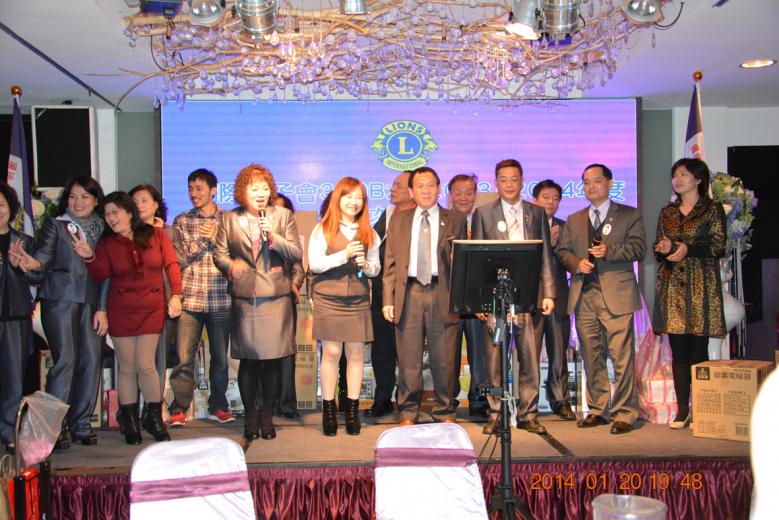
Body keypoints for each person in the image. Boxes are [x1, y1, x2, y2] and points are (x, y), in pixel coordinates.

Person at [73, 192, 182, 444]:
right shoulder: (107, 244)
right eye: (107, 214)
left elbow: (172, 265)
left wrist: (176, 295)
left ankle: (155, 419)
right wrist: (89, 256)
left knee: (146, 365)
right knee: (127, 367)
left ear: (129, 212)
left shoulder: (156, 235)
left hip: (151, 308)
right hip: (121, 310)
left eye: (115, 212)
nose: (111, 218)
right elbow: (101, 274)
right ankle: (131, 422)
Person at [11, 175, 109, 448]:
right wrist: (32, 264)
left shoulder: (103, 229)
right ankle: (53, 428)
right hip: (60, 301)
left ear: (96, 201)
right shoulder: (56, 225)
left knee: (91, 360)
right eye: (73, 196)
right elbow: (42, 258)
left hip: (92, 304)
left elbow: (107, 273)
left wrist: (103, 308)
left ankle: (81, 424)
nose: (78, 202)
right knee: (65, 360)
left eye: (85, 197)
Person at [213, 164, 302, 441]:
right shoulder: (229, 218)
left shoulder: (282, 215)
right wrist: (231, 266)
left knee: (273, 361)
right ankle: (251, 417)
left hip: (276, 297)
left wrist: (273, 237)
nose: (261, 193)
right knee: (249, 361)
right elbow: (219, 254)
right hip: (245, 298)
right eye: (254, 188)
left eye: (265, 188)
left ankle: (267, 417)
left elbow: (295, 253)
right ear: (243, 191)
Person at [556, 164, 646, 435]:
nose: (591, 186)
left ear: (610, 183)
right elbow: (562, 252)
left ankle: (625, 412)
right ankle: (598, 409)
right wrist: (576, 263)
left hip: (617, 294)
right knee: (591, 355)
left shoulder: (629, 214)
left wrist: (609, 250)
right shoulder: (574, 219)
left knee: (621, 357)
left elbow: (639, 248)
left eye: (596, 181)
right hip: (584, 294)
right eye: (586, 182)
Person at [471, 160, 555, 435]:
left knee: (529, 357)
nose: (509, 184)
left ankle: (528, 413)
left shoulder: (536, 213)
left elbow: (545, 255)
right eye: (503, 179)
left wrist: (548, 293)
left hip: (528, 294)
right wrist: (480, 300)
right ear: (496, 182)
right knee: (493, 359)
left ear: (522, 181)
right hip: (495, 296)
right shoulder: (483, 213)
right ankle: (496, 414)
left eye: (514, 179)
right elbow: (478, 260)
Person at [382, 166, 467, 425]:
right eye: (420, 186)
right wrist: (388, 300)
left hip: (443, 291)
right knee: (409, 358)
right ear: (411, 191)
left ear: (439, 189)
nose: (426, 190)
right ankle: (408, 411)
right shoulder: (398, 220)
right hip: (409, 292)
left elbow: (462, 264)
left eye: (431, 185)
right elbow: (390, 263)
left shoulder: (456, 219)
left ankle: (445, 410)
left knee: (445, 357)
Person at [652, 158, 726, 429]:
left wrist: (687, 248)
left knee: (699, 351)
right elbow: (659, 248)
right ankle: (682, 410)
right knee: (679, 353)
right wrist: (663, 248)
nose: (678, 179)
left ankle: (702, 408)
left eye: (684, 174)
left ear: (698, 179)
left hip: (700, 286)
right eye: (675, 175)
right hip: (673, 287)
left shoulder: (712, 209)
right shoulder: (668, 211)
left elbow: (718, 246)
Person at [309, 177, 380, 436]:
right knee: (330, 352)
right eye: (348, 196)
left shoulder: (370, 232)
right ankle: (329, 411)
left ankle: (352, 411)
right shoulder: (322, 229)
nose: (353, 202)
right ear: (338, 199)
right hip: (329, 298)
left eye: (359, 197)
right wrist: (344, 255)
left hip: (358, 300)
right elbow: (315, 264)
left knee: (356, 354)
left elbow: (375, 268)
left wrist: (366, 265)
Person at [168, 169, 234, 427]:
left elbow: (236, 256)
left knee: (220, 358)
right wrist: (203, 240)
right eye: (190, 188)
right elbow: (179, 260)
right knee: (184, 358)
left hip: (221, 297)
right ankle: (179, 408)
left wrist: (216, 237)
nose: (193, 193)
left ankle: (218, 405)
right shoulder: (182, 220)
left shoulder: (228, 219)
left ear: (213, 190)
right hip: (190, 298)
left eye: (199, 188)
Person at [364, 170, 416, 419]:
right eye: (393, 184)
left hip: (408, 294)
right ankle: (382, 398)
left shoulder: (419, 217)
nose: (392, 189)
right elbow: (373, 247)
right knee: (382, 350)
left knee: (407, 351)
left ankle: (407, 400)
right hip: (381, 292)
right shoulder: (387, 214)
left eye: (398, 185)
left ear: (412, 191)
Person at [129, 184, 180, 414]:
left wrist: (161, 236)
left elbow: (180, 261)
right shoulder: (126, 232)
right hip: (133, 305)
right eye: (135, 201)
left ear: (156, 205)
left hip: (163, 302)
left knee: (158, 360)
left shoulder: (169, 232)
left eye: (144, 200)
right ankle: (129, 409)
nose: (139, 205)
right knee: (133, 361)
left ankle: (153, 410)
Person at [531, 179, 576, 421]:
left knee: (558, 350)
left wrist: (558, 247)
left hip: (558, 295)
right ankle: (528, 401)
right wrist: (546, 241)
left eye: (555, 198)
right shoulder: (525, 224)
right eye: (546, 197)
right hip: (531, 296)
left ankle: (560, 399)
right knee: (529, 352)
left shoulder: (566, 227)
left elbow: (572, 259)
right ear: (534, 200)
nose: (551, 202)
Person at [446, 173, 489, 418]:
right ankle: (447, 399)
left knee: (481, 352)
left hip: (477, 298)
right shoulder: (443, 221)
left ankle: (479, 400)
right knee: (448, 353)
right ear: (449, 195)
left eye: (469, 192)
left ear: (475, 195)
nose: (463, 197)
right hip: (449, 297)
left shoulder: (484, 221)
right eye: (458, 192)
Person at [0, 183, 35, 453]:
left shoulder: (24, 241)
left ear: (10, 208)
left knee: (13, 377)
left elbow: (37, 277)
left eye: (0, 205)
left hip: (15, 315)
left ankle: (9, 430)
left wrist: (19, 268)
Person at [272, 193, 305, 419]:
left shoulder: (291, 240)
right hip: (260, 299)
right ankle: (262, 402)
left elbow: (298, 267)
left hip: (285, 296)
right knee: (260, 354)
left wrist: (294, 284)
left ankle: (286, 403)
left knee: (286, 353)